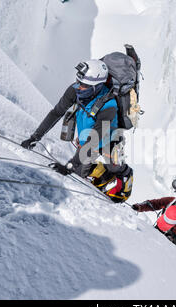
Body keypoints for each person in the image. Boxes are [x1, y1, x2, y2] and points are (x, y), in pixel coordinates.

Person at [21, 59, 132, 202]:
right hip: (88, 136)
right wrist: (35, 137)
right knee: (79, 173)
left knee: (113, 165)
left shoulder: (109, 105)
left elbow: (96, 139)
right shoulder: (75, 90)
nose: (79, 87)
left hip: (108, 136)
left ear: (97, 86)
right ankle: (102, 175)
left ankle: (125, 174)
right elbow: (56, 112)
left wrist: (71, 165)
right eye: (78, 82)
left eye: (84, 85)